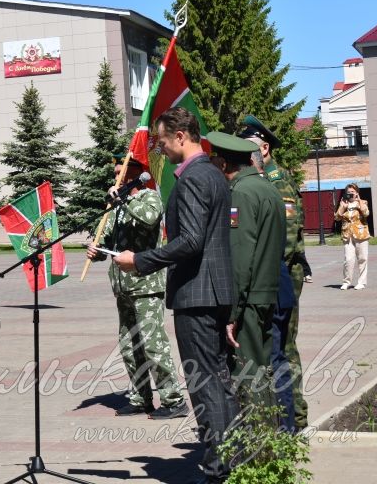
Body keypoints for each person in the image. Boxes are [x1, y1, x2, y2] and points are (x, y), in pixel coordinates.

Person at [114, 108, 238, 484]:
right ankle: (234, 461)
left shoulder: (196, 178)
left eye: (163, 140)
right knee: (219, 383)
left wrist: (141, 261)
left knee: (206, 386)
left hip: (198, 296)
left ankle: (220, 470)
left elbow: (192, 241)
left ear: (181, 136)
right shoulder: (211, 174)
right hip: (211, 293)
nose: (160, 148)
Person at [86, 155, 186, 419]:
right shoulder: (116, 206)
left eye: (120, 172)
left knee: (153, 344)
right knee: (129, 346)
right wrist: (96, 251)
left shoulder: (149, 197)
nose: (116, 177)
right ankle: (140, 397)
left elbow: (149, 220)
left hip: (146, 283)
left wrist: (123, 200)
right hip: (123, 285)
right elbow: (108, 240)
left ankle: (173, 400)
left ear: (136, 174)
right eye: (115, 173)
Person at [239, 114, 309, 429]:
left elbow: (288, 236)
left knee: (283, 347)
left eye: (249, 145)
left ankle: (295, 415)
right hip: (270, 273)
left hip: (283, 274)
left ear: (264, 148)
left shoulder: (278, 180)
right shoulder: (257, 178)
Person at [208, 131, 283, 411]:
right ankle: (270, 440)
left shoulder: (240, 192)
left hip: (249, 300)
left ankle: (258, 447)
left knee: (248, 375)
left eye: (214, 158)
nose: (213, 164)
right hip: (265, 292)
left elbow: (240, 259)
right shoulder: (266, 188)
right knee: (262, 370)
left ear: (225, 164)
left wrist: (232, 314)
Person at [335, 183, 369, 290]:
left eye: (352, 192)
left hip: (361, 234)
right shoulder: (343, 204)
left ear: (357, 193)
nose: (350, 194)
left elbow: (366, 213)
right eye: (348, 192)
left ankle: (362, 282)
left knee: (362, 258)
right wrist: (342, 207)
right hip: (347, 235)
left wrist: (359, 202)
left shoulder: (363, 202)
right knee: (348, 259)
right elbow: (337, 218)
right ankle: (346, 281)